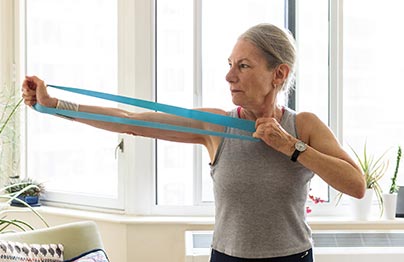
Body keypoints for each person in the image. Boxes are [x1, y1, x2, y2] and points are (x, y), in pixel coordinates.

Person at [22, 23, 365, 261]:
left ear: (279, 74)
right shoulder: (214, 126)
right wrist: (54, 106)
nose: (230, 76)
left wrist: (292, 147)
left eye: (243, 66)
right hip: (227, 258)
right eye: (230, 65)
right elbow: (131, 122)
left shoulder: (303, 126)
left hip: (292, 257)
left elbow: (356, 185)